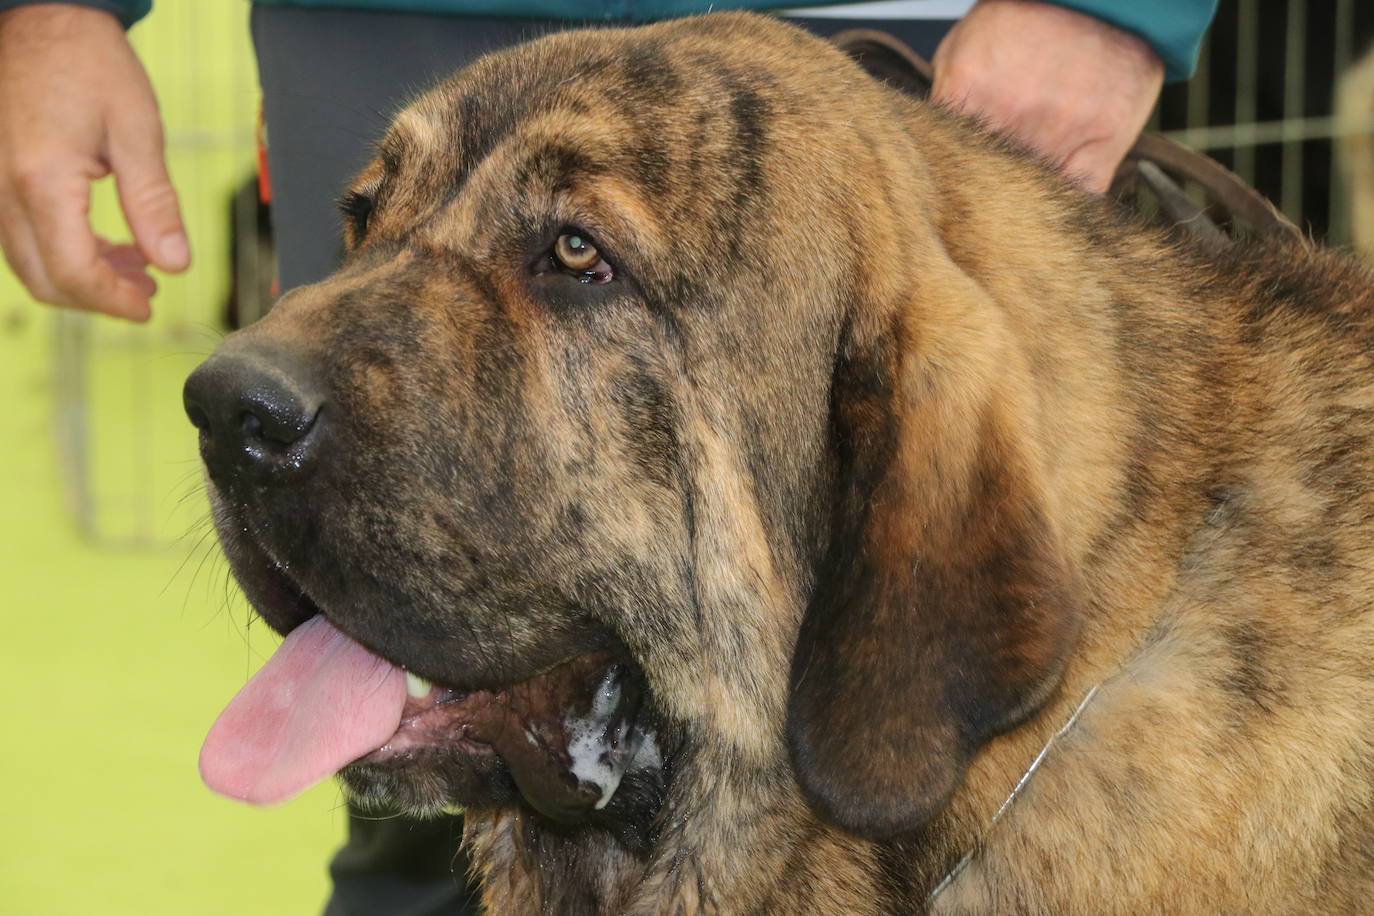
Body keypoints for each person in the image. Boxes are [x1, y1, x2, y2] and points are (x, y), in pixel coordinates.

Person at [0, 1, 1218, 912]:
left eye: (578, 256)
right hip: (403, 18)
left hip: (910, 28)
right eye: (376, 222)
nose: (256, 375)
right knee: (424, 810)